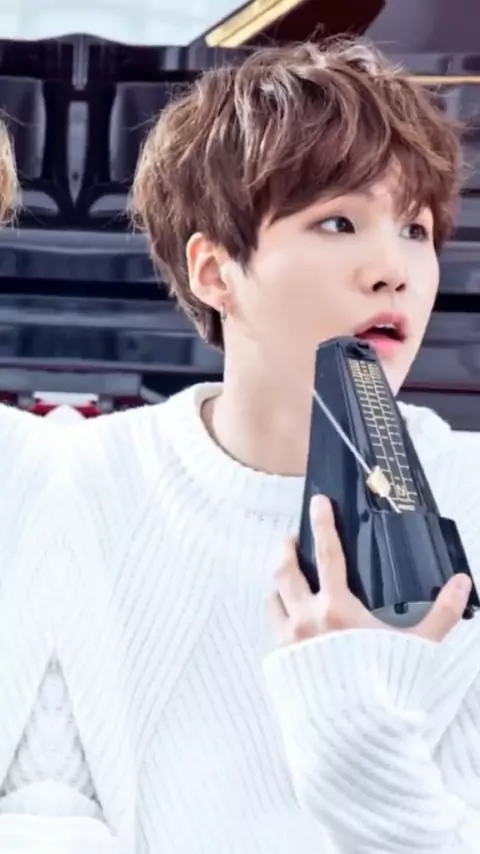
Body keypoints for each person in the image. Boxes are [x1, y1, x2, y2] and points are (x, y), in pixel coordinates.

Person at [59, 38, 480, 852]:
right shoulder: (85, 480)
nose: (394, 269)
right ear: (215, 271)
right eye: (338, 222)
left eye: (415, 229)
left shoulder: (473, 490)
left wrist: (352, 721)